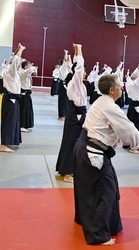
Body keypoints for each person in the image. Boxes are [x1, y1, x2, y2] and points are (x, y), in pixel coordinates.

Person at [73, 73, 139, 246]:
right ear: (112, 90)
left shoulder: (102, 101)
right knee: (104, 190)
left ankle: (98, 222)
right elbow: (126, 127)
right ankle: (98, 234)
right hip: (92, 151)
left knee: (93, 188)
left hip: (86, 148)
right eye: (120, 86)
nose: (122, 89)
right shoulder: (110, 106)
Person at [55, 44, 87, 183]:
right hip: (76, 115)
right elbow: (78, 68)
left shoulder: (75, 83)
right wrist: (79, 50)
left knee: (72, 142)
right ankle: (68, 173)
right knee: (72, 142)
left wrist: (76, 51)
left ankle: (66, 170)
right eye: (84, 71)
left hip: (76, 114)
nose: (85, 73)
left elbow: (77, 67)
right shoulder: (76, 81)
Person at [0, 43, 25, 153]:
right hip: (10, 98)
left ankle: (9, 141)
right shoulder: (10, 70)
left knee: (13, 121)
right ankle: (3, 145)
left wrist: (18, 49)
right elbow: (15, 61)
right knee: (8, 121)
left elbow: (16, 61)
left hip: (13, 98)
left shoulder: (12, 71)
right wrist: (21, 50)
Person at [19, 60, 38, 132]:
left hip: (27, 93)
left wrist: (32, 68)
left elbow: (33, 71)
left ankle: (26, 125)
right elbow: (29, 70)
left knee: (27, 110)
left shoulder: (26, 73)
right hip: (23, 94)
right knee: (23, 110)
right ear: (25, 66)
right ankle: (22, 125)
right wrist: (31, 66)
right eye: (28, 65)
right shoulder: (22, 73)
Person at [58, 50, 71, 120]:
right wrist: (66, 53)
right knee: (63, 101)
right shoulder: (63, 67)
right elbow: (65, 60)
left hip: (64, 84)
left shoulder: (65, 68)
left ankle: (64, 114)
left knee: (65, 100)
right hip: (63, 84)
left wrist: (69, 56)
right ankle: (62, 115)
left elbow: (68, 62)